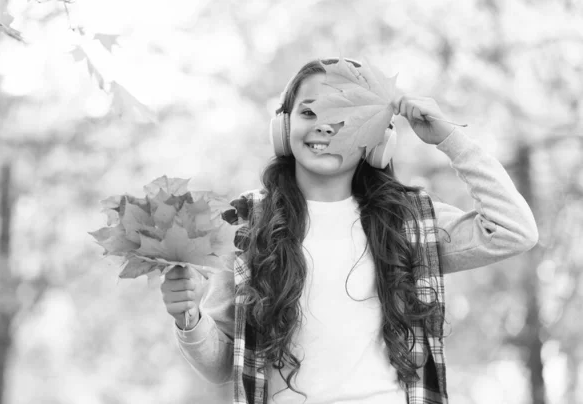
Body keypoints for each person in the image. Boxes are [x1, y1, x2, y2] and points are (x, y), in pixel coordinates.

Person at [160, 57, 538, 404]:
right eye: (309, 112)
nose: (324, 125)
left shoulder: (408, 223)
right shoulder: (248, 223)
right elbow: (222, 364)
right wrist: (189, 318)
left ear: (377, 140)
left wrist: (449, 139)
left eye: (345, 117)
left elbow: (513, 230)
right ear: (284, 126)